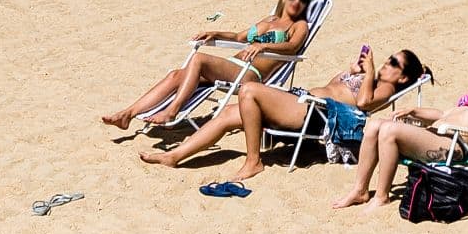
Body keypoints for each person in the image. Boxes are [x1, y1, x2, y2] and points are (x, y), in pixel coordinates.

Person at [142, 46, 431, 180]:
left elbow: (364, 104)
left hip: (315, 116)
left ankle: (253, 161)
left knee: (250, 91)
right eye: (390, 59)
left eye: (393, 63)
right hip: (303, 102)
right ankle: (174, 156)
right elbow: (332, 86)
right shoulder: (373, 79)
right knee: (230, 113)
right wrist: (350, 73)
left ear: (403, 77)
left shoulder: (386, 89)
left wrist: (368, 73)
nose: (386, 64)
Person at [101, 0, 318, 131]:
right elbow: (240, 37)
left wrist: (264, 47)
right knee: (176, 75)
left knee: (199, 59)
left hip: (250, 74)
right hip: (233, 65)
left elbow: (292, 47)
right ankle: (127, 114)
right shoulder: (269, 20)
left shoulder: (300, 25)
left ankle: (172, 110)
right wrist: (215, 32)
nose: (296, 1)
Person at [333, 54, 468, 210]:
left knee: (389, 131)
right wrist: (415, 111)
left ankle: (381, 196)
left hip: (452, 146)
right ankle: (359, 190)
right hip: (434, 134)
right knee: (375, 125)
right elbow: (443, 113)